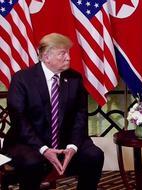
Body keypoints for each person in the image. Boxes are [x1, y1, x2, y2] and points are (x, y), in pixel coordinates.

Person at [2, 33, 104, 190]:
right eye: (63, 53)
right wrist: (44, 149)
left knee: (94, 155)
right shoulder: (22, 79)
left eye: (68, 52)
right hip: (27, 142)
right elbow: (20, 120)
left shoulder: (74, 78)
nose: (69, 57)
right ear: (45, 56)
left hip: (64, 142)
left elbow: (80, 115)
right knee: (33, 163)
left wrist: (73, 146)